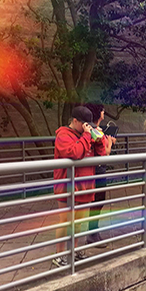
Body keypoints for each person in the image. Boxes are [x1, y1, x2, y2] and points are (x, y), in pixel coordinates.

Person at [52, 106, 96, 267]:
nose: (86, 127)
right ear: (75, 121)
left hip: (84, 184)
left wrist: (98, 139)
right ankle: (60, 254)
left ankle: (75, 251)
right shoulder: (63, 135)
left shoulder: (85, 134)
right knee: (66, 220)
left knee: (79, 221)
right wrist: (86, 136)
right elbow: (75, 152)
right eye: (83, 123)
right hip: (67, 184)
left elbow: (101, 153)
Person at [85, 103, 116, 247]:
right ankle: (92, 233)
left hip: (93, 169)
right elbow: (105, 152)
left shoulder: (91, 129)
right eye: (103, 111)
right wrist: (110, 143)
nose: (104, 113)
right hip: (98, 170)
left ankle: (92, 232)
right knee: (98, 201)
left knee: (95, 201)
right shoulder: (96, 130)